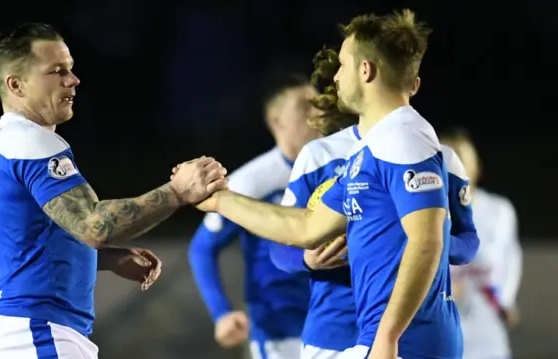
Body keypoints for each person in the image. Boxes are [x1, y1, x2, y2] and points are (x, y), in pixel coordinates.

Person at [188, 9, 463, 359]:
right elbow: (307, 226)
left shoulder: (404, 136)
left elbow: (426, 240)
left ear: (366, 71)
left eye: (344, 64)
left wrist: (387, 337)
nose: (335, 76)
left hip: (402, 343)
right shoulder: (371, 148)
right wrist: (218, 201)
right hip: (364, 337)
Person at [0, 23, 227, 359]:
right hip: (36, 332)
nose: (73, 80)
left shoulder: (5, 147)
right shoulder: (30, 141)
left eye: (71, 69)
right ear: (16, 85)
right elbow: (94, 226)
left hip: (26, 332)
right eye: (57, 71)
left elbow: (26, 250)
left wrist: (105, 259)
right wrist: (178, 192)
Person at [267, 48, 479, 359]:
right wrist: (308, 259)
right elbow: (280, 248)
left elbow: (469, 242)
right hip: (334, 332)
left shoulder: (440, 158)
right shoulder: (319, 156)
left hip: (412, 332)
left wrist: (422, 238)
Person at [187, 72, 322, 358]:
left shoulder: (337, 168)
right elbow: (202, 247)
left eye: (319, 103)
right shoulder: (251, 181)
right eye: (304, 107)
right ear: (277, 121)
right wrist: (221, 312)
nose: (317, 112)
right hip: (280, 331)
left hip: (338, 323)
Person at [441, 128, 522, 359]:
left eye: (462, 159)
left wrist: (506, 300)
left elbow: (511, 258)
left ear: (476, 165)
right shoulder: (421, 216)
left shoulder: (498, 210)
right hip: (441, 334)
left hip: (487, 335)